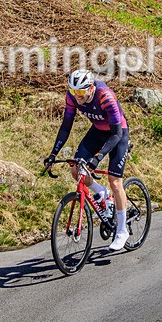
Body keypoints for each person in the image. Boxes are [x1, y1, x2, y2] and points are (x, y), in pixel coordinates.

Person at [43, 69, 131, 251]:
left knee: (115, 181)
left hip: (117, 133)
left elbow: (116, 134)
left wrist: (98, 157)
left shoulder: (106, 97)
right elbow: (66, 126)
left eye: (81, 93)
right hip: (97, 132)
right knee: (76, 169)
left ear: (91, 88)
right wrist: (53, 154)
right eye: (74, 92)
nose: (77, 98)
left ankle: (122, 231)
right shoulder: (72, 96)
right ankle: (101, 194)